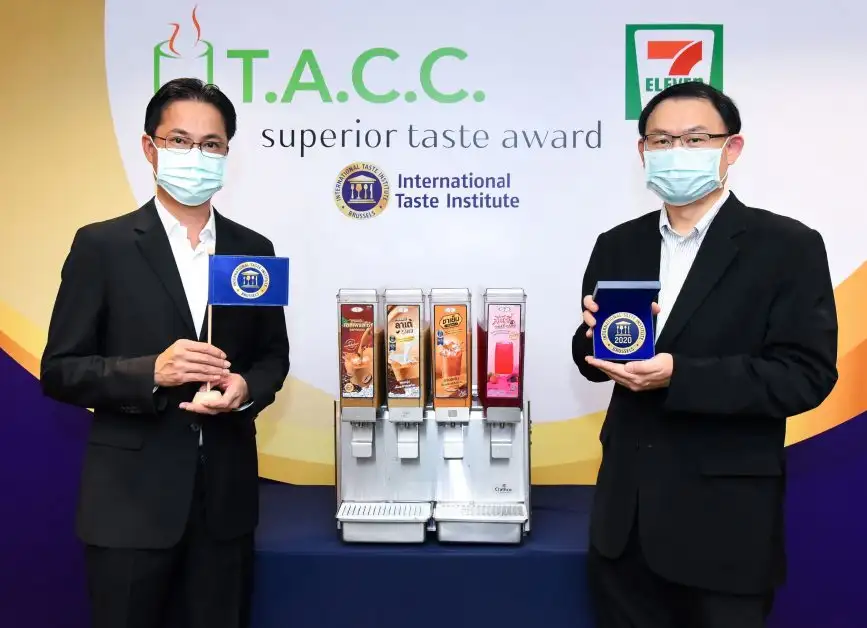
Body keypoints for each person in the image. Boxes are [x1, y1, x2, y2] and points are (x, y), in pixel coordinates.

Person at [572, 82, 838, 628]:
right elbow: (593, 352)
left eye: (695, 139)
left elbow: (805, 375)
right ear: (642, 151)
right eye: (662, 140)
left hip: (725, 530)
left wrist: (679, 375)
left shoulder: (787, 246)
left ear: (731, 148)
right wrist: (592, 340)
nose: (677, 151)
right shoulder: (618, 243)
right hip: (624, 527)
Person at [41, 78, 290, 628]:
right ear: (150, 148)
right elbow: (60, 370)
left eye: (211, 144)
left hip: (224, 507)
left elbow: (273, 357)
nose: (195, 156)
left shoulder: (253, 251)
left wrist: (246, 389)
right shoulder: (102, 246)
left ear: (226, 153)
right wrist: (151, 371)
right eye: (179, 141)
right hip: (129, 506)